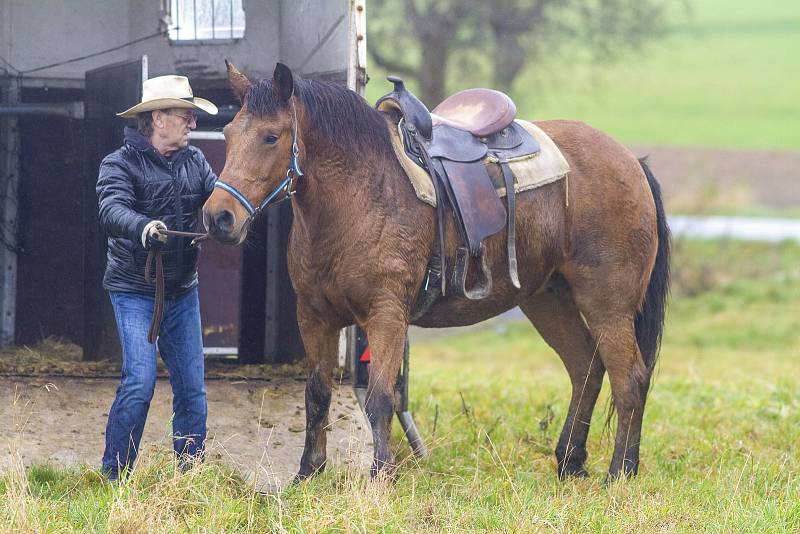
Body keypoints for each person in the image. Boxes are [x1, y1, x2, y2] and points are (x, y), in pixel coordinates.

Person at [96, 75, 218, 480]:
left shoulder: (196, 161)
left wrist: (230, 213)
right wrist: (143, 227)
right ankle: (115, 476)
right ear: (158, 117)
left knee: (192, 390)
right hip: (134, 291)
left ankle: (189, 477)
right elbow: (112, 210)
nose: (193, 124)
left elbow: (215, 200)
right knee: (140, 383)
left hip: (182, 291)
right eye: (186, 116)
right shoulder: (118, 163)